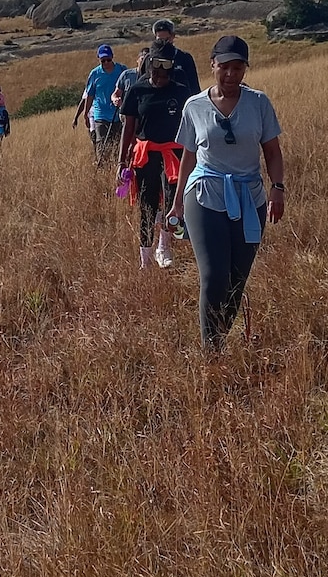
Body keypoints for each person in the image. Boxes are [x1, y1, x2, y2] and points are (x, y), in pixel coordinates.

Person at [168, 33, 284, 348]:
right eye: (224, 67)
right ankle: (211, 352)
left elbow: (272, 152)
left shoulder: (258, 103)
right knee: (214, 275)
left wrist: (278, 188)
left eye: (238, 67)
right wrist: (177, 203)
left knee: (236, 280)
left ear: (245, 69)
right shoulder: (194, 106)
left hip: (250, 198)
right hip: (205, 193)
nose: (230, 74)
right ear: (213, 65)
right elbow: (189, 155)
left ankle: (219, 338)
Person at [119, 40, 189, 269]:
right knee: (147, 206)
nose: (160, 74)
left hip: (173, 154)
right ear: (149, 64)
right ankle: (145, 259)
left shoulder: (181, 91)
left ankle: (164, 246)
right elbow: (129, 127)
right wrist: (122, 161)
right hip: (145, 154)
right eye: (156, 67)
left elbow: (190, 125)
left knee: (172, 203)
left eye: (166, 68)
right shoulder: (138, 90)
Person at [74, 43, 127, 162]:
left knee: (118, 144)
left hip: (119, 114)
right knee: (102, 144)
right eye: (103, 60)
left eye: (108, 59)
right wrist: (86, 114)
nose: (106, 63)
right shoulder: (94, 74)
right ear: (99, 59)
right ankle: (102, 165)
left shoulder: (122, 70)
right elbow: (90, 95)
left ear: (112, 57)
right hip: (101, 114)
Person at [151, 18, 200, 99]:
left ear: (173, 36)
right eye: (160, 40)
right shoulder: (149, 59)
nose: (163, 43)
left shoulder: (185, 58)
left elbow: (194, 85)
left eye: (166, 40)